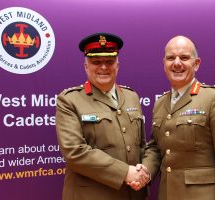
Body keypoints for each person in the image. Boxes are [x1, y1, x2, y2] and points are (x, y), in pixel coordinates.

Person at [131, 36, 215, 199]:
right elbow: (157, 148)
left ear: (196, 64)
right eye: (171, 58)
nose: (177, 63)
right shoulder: (161, 103)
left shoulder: (214, 99)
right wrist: (146, 170)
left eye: (184, 57)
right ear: (164, 64)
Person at [55, 32, 149, 200]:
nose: (104, 67)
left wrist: (144, 171)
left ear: (117, 65)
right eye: (96, 62)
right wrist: (125, 172)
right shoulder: (69, 100)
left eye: (109, 62)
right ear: (86, 67)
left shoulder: (131, 96)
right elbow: (74, 152)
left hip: (133, 193)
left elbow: (141, 145)